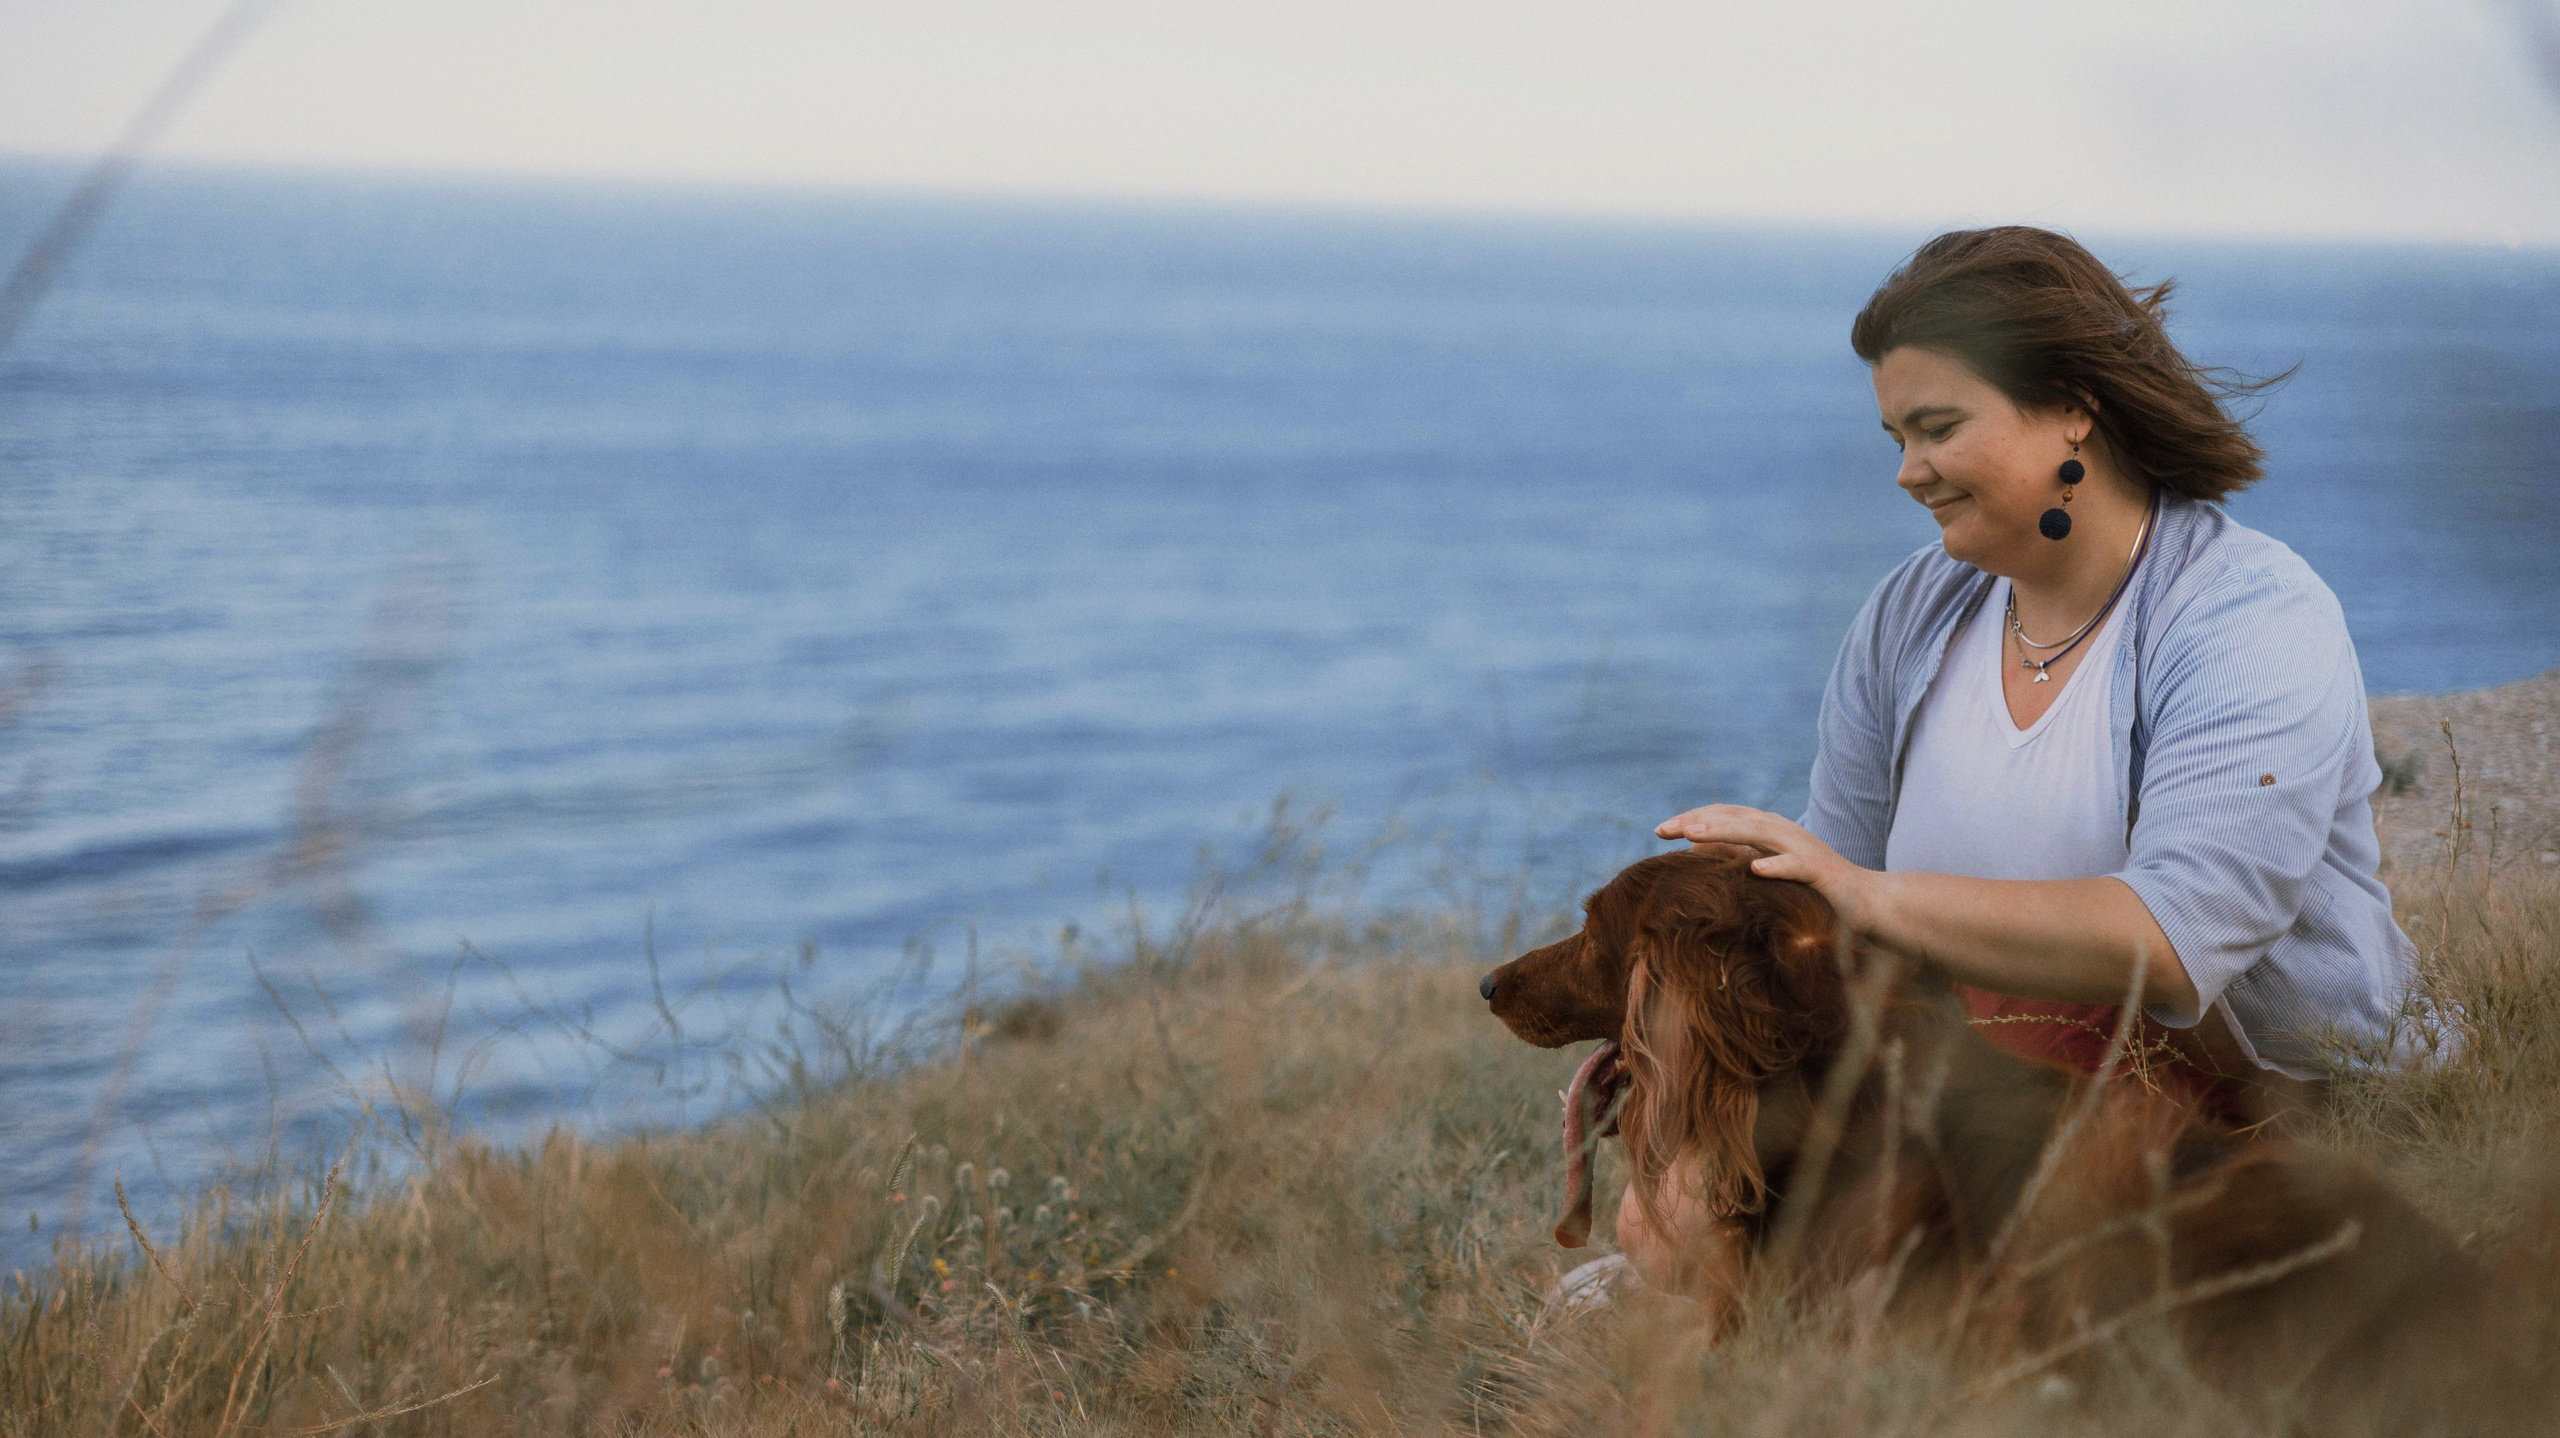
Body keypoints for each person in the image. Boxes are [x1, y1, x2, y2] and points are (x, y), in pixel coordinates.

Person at [1628, 226, 2425, 1289]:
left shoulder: (2250, 617)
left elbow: (2173, 943)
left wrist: (1863, 895)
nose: (1908, 472)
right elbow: (1828, 938)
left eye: (1937, 427)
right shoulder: (1911, 613)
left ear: (2070, 406)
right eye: (1894, 437)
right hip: (1991, 1106)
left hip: (2256, 1125)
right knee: (1673, 1213)